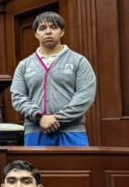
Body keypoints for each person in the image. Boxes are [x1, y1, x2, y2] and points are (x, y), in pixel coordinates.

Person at [10, 11, 97, 147]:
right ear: (36, 34)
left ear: (62, 32)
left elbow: (85, 96)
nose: (48, 32)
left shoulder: (78, 61)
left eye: (53, 27)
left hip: (72, 131)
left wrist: (56, 119)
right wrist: (40, 117)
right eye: (43, 28)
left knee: (76, 168)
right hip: (36, 132)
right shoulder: (24, 65)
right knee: (36, 168)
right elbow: (18, 97)